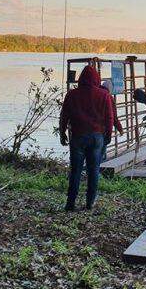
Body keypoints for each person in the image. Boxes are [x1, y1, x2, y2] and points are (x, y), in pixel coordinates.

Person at [59, 65, 113, 211]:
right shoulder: (104, 95)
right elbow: (109, 117)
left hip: (78, 137)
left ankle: (70, 203)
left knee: (75, 170)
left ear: (81, 78)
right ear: (97, 79)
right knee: (93, 170)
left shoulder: (71, 94)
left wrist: (62, 132)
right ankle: (90, 203)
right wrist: (108, 135)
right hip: (97, 137)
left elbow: (64, 115)